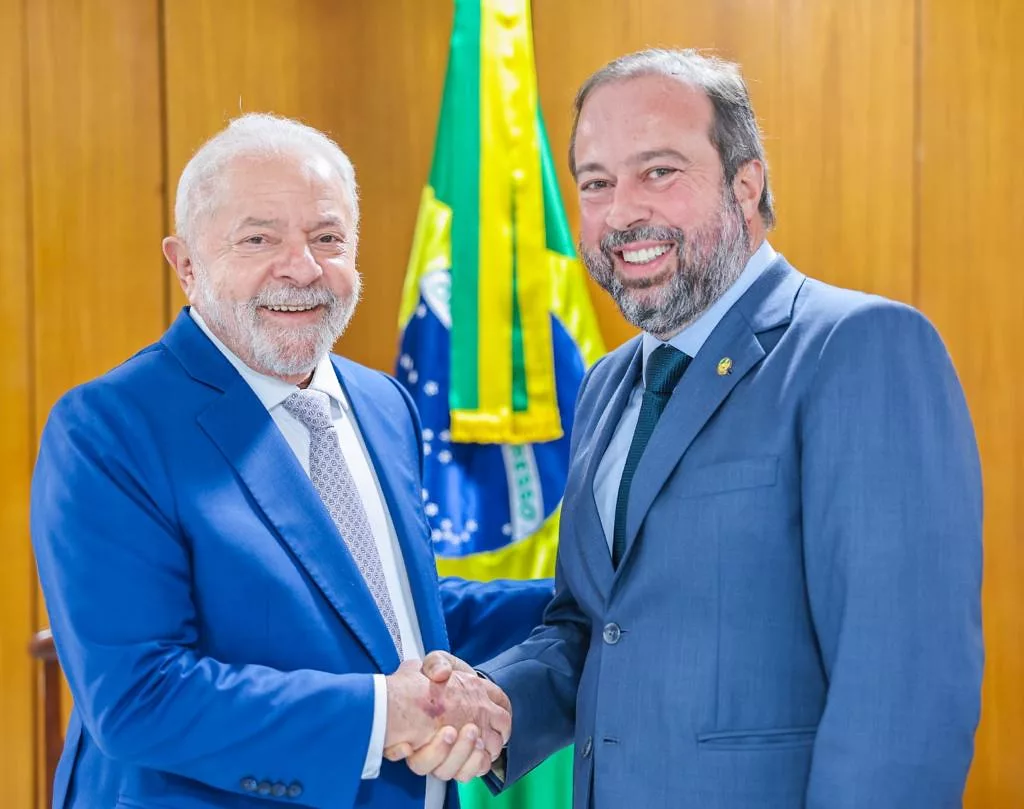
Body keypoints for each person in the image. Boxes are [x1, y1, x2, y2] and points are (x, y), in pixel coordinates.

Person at [391, 48, 984, 808]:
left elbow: (905, 690)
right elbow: (594, 626)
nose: (623, 211)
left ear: (747, 182)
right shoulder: (607, 385)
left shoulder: (860, 348)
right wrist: (499, 705)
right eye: (597, 182)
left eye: (659, 172)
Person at [30, 113, 553, 809]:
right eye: (259, 238)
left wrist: (589, 598)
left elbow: (386, 616)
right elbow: (139, 697)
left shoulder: (382, 403)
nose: (302, 267)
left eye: (328, 237)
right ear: (185, 264)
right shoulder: (108, 428)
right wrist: (387, 712)